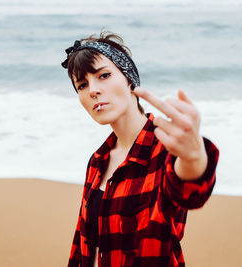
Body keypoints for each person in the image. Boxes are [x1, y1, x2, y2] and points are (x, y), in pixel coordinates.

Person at [61, 31, 219, 267]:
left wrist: (194, 156)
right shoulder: (98, 160)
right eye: (82, 85)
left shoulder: (165, 149)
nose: (92, 89)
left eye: (103, 75)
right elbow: (83, 245)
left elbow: (190, 190)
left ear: (129, 78)